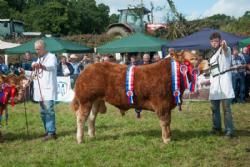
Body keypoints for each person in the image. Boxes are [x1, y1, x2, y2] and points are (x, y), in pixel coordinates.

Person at [208, 32, 235, 138]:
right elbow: (213, 70)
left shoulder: (226, 51)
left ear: (219, 41)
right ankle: (216, 128)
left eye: (216, 41)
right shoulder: (211, 55)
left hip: (224, 83)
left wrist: (224, 44)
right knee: (214, 109)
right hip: (214, 85)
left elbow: (225, 48)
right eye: (212, 41)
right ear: (210, 43)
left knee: (226, 109)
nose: (215, 43)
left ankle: (229, 131)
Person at [32, 39, 57, 141]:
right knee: (43, 112)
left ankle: (51, 133)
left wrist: (41, 66)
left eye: (38, 49)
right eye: (36, 49)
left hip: (48, 89)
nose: (36, 51)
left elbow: (51, 67)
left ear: (43, 48)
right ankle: (47, 130)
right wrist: (24, 72)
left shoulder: (52, 57)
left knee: (49, 111)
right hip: (40, 90)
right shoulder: (39, 59)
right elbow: (35, 74)